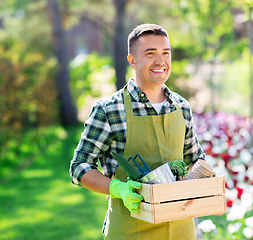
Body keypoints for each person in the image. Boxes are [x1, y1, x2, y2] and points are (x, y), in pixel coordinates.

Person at [70, 23, 205, 240]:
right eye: (150, 53)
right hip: (130, 231)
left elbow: (194, 160)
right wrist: (117, 188)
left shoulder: (181, 107)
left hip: (181, 231)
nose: (160, 61)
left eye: (165, 53)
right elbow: (79, 167)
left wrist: (204, 179)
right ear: (132, 60)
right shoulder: (109, 110)